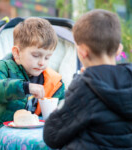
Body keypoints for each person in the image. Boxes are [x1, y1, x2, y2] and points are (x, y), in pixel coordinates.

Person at [43, 9, 132, 150]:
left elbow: (52, 135)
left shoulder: (85, 86)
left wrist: (78, 81)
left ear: (82, 51)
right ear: (119, 49)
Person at [0, 17, 65, 150]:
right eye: (36, 55)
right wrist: (25, 87)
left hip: (29, 143)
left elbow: (61, 110)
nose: (42, 62)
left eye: (47, 57)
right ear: (17, 53)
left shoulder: (54, 83)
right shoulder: (3, 68)